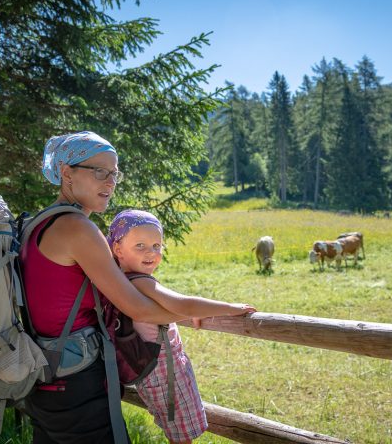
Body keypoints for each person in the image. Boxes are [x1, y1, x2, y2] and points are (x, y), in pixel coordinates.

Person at [20, 131, 184, 444]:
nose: (109, 182)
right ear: (67, 173)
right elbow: (134, 305)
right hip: (76, 379)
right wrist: (195, 314)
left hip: (42, 375)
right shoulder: (77, 227)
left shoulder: (38, 223)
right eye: (99, 172)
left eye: (114, 174)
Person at [107, 209, 257, 444]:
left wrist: (185, 314)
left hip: (156, 370)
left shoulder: (122, 281)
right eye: (140, 246)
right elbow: (182, 304)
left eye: (157, 246)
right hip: (166, 370)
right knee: (181, 437)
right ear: (118, 249)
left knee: (176, 432)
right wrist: (229, 307)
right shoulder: (141, 281)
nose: (151, 253)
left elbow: (165, 310)